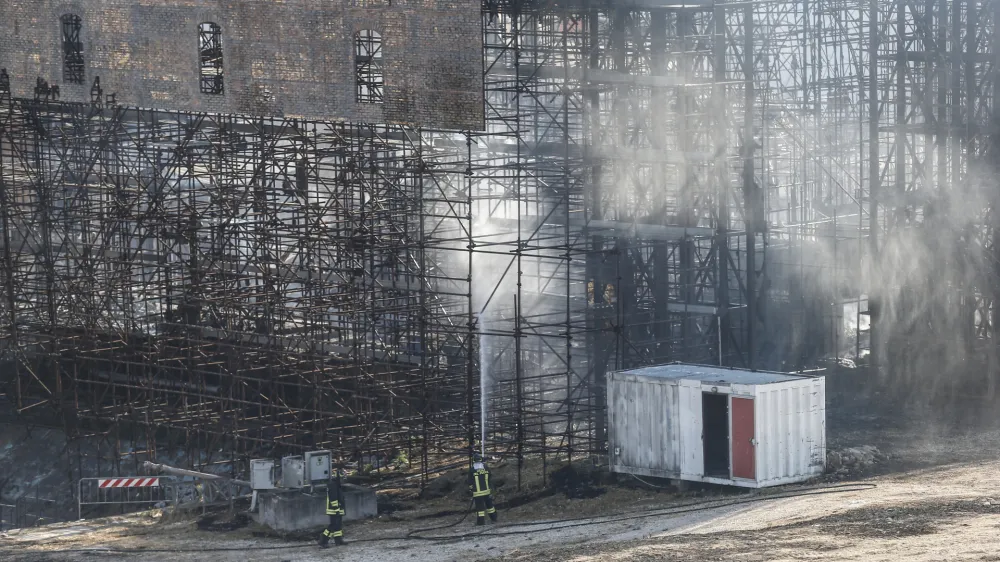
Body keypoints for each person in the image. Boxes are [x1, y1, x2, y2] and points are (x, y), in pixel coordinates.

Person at [468, 453, 497, 526]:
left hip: (478, 493)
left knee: (480, 509)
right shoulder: (486, 468)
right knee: (490, 506)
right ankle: (494, 518)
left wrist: (471, 489)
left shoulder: (472, 470)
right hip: (487, 491)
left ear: (473, 461)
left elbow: (469, 481)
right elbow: (490, 477)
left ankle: (481, 522)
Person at [319, 469, 346, 547]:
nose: (343, 480)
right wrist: (337, 509)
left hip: (338, 509)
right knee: (333, 526)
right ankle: (323, 540)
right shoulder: (333, 485)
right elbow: (333, 499)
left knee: (338, 525)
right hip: (334, 510)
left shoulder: (337, 485)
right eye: (342, 478)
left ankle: (338, 540)